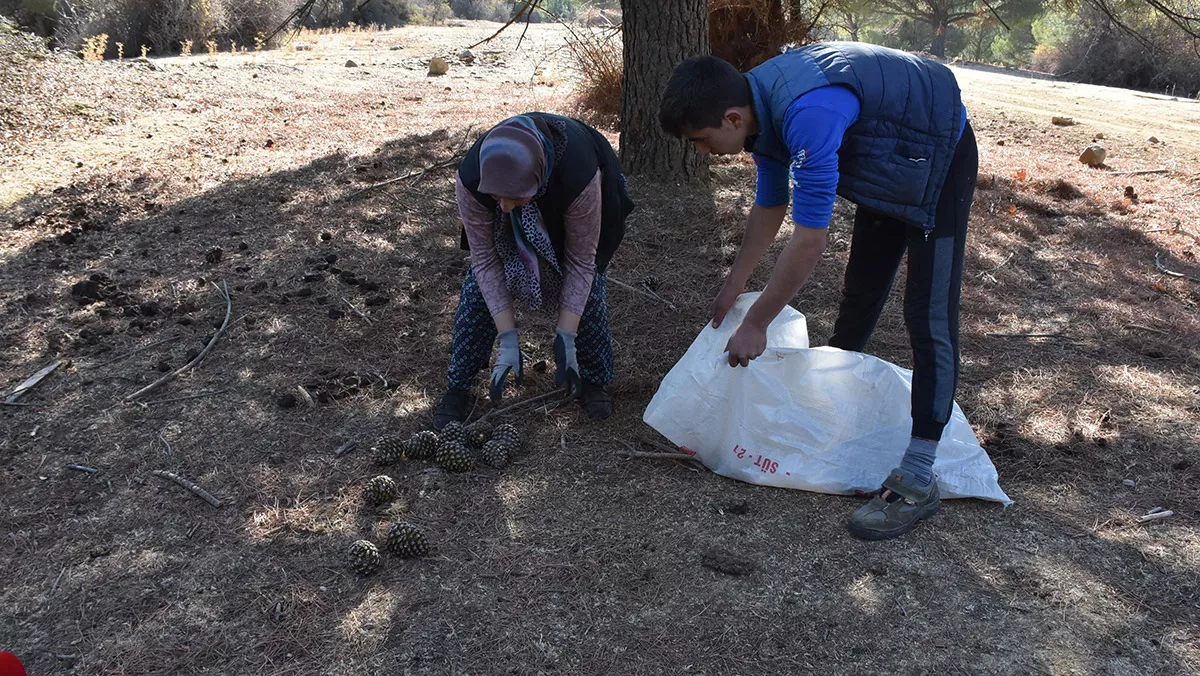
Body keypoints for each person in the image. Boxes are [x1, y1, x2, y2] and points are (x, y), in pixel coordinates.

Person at [659, 43, 978, 540]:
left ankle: (918, 473)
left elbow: (808, 242)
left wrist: (758, 322)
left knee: (928, 313)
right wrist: (734, 285)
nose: (699, 151)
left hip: (937, 150)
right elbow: (770, 206)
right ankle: (835, 409)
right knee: (862, 291)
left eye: (700, 140)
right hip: (886, 154)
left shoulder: (806, 114)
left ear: (732, 116)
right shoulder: (759, 106)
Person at [432, 113, 635, 428]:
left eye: (515, 198)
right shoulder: (473, 179)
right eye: (497, 197)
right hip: (529, 192)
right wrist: (508, 338)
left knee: (589, 287)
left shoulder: (579, 175)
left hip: (575, 195)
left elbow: (582, 261)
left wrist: (565, 336)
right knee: (477, 290)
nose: (504, 207)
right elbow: (485, 259)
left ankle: (593, 378)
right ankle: (459, 385)